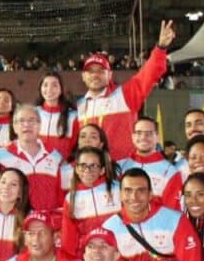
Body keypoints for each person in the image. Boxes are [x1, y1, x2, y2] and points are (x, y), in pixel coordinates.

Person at [74, 21, 175, 161]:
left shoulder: (124, 95)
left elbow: (149, 74)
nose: (95, 75)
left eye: (100, 71)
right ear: (84, 77)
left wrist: (161, 48)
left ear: (110, 75)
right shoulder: (78, 106)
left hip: (123, 172)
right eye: (90, 72)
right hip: (92, 173)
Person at [0, 104, 64, 213]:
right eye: (21, 121)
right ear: (14, 127)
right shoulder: (1, 155)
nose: (27, 125)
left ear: (39, 125)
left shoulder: (55, 155)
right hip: (16, 222)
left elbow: (61, 194)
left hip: (48, 223)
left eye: (32, 120)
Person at [60, 146, 120, 259]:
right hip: (89, 258)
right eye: (83, 165)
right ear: (76, 169)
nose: (87, 170)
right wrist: (70, 260)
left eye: (93, 165)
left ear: (102, 169)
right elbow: (69, 235)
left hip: (116, 253)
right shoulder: (71, 198)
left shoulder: (117, 189)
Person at [117, 117, 182, 209]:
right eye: (139, 133)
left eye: (149, 133)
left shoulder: (171, 172)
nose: (143, 137)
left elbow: (171, 212)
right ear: (133, 137)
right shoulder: (119, 167)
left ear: (157, 137)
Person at [37, 73, 76, 158]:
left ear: (61, 90)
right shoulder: (33, 113)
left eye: (54, 85)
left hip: (62, 168)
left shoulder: (73, 116)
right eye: (45, 85)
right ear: (40, 88)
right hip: (36, 167)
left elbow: (76, 147)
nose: (49, 89)